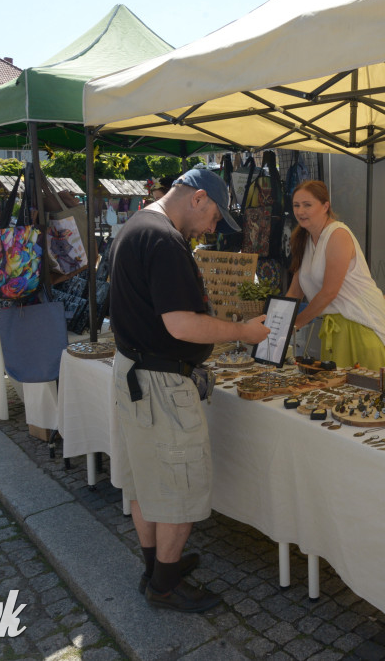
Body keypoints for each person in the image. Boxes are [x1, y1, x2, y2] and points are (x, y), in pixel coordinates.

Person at [110, 163, 269, 613]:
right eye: (215, 218)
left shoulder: (136, 225)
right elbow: (180, 324)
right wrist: (241, 332)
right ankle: (164, 585)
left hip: (135, 371)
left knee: (146, 480)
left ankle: (156, 568)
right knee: (178, 484)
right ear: (198, 198)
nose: (213, 228)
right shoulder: (165, 240)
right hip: (160, 382)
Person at [286, 180, 385, 371]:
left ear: (325, 206)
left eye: (307, 205)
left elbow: (329, 292)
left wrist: (293, 325)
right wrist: (276, 320)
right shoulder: (303, 239)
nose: (300, 211)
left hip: (361, 322)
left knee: (370, 392)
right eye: (296, 205)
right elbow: (294, 292)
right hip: (335, 327)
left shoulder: (337, 235)